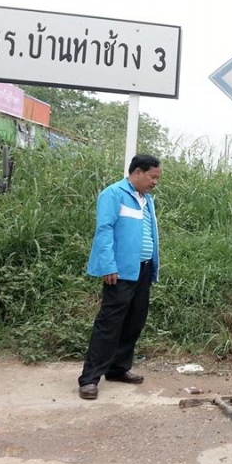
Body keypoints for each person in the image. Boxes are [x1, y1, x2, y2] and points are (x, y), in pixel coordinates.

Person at [78, 155, 162, 400]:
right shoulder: (113, 194)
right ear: (137, 172)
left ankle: (117, 368)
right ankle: (89, 379)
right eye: (152, 177)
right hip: (120, 271)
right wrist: (108, 266)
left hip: (142, 269)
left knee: (134, 320)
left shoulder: (146, 200)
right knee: (109, 324)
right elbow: (104, 231)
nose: (155, 182)